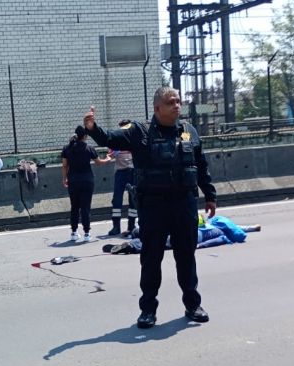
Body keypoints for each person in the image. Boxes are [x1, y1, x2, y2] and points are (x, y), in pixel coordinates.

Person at [84, 86, 217, 329]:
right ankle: (147, 310)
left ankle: (192, 305)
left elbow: (200, 165)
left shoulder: (189, 132)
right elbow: (110, 138)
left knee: (186, 257)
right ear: (157, 108)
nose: (177, 105)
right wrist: (93, 129)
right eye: (170, 102)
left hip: (184, 204)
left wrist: (209, 195)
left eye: (178, 101)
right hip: (153, 206)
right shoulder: (139, 131)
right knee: (151, 259)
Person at [103, 216, 261, 254]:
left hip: (184, 228)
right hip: (195, 236)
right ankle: (132, 245)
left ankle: (134, 235)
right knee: (163, 244)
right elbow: (220, 239)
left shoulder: (213, 221)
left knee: (159, 235)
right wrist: (200, 246)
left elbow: (242, 228)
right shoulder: (224, 232)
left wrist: (254, 227)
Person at [61, 125, 106, 242]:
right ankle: (87, 233)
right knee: (85, 207)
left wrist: (64, 178)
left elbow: (65, 165)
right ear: (85, 136)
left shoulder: (67, 148)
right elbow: (99, 162)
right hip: (87, 180)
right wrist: (108, 158)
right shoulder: (89, 148)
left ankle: (74, 232)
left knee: (74, 207)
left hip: (73, 181)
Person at [97, 120, 137, 236]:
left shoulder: (134, 140)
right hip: (121, 172)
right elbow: (111, 154)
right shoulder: (117, 141)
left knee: (133, 199)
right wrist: (106, 158)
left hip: (132, 171)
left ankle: (131, 225)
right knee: (117, 199)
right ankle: (116, 227)